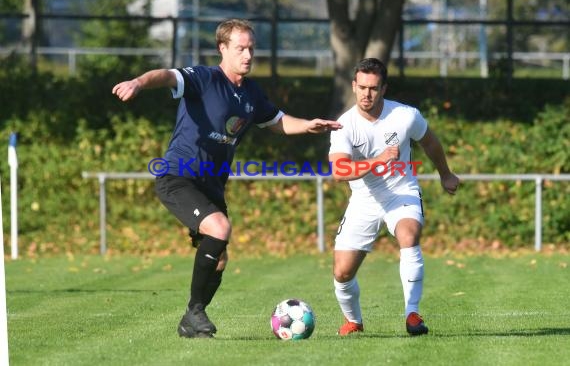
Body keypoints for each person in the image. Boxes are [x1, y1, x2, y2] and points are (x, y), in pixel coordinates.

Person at [112, 18, 342, 338]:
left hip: (211, 184)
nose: (247, 55)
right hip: (178, 176)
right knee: (220, 228)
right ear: (222, 49)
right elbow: (166, 75)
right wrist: (138, 81)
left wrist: (309, 125)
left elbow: (276, 121)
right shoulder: (204, 78)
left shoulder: (250, 93)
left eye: (251, 48)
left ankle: (190, 322)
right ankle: (195, 312)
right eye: (240, 49)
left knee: (219, 258)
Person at [328, 58, 459, 336]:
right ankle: (354, 321)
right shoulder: (344, 125)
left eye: (373, 88)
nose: (367, 94)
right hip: (364, 200)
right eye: (362, 87)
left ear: (384, 88)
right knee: (342, 273)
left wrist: (445, 174)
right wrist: (378, 161)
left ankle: (412, 314)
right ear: (353, 86)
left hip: (401, 191)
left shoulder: (406, 116)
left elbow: (430, 142)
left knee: (408, 235)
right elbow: (340, 171)